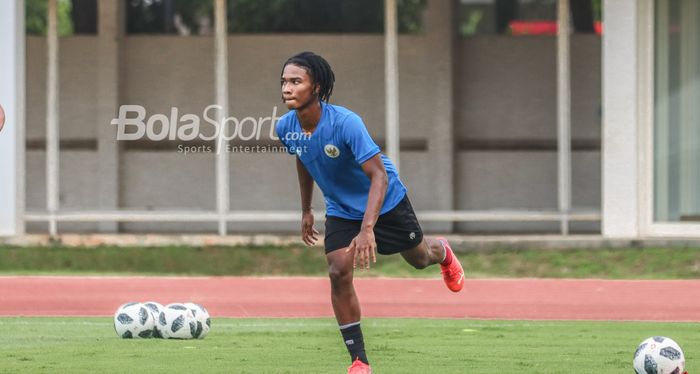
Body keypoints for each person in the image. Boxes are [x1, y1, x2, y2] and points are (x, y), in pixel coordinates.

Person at [275, 51, 464, 374]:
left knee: (418, 259)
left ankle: (442, 251)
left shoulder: (347, 123)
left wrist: (368, 229)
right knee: (338, 271)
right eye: (284, 82)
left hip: (386, 201)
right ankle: (359, 360)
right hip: (341, 209)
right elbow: (303, 158)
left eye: (296, 81)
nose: (287, 89)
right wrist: (306, 209)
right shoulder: (285, 127)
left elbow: (379, 175)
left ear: (316, 87)